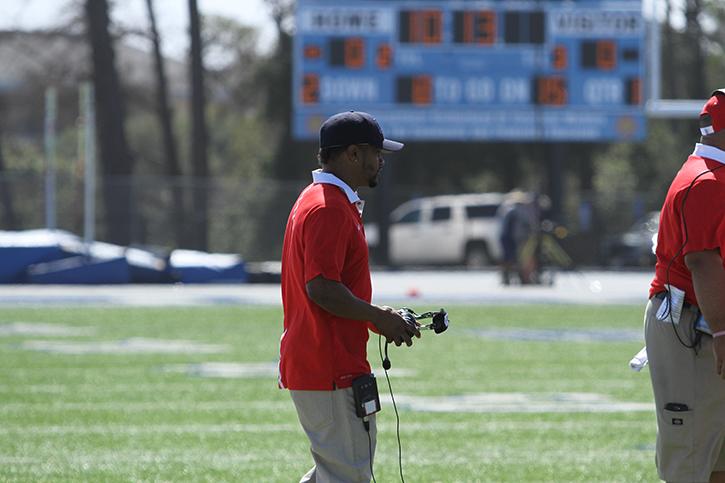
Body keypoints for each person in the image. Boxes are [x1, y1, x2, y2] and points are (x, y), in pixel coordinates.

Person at [279, 111, 421, 482]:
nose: (381, 161)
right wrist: (379, 318)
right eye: (377, 152)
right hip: (329, 366)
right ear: (353, 155)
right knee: (348, 476)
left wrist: (380, 313)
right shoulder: (328, 207)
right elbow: (322, 288)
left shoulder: (321, 199)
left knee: (335, 473)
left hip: (324, 363)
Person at [645, 89, 725, 483]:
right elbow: (703, 262)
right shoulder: (707, 181)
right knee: (690, 461)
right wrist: (724, 330)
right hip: (694, 326)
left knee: (717, 458)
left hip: (705, 321)